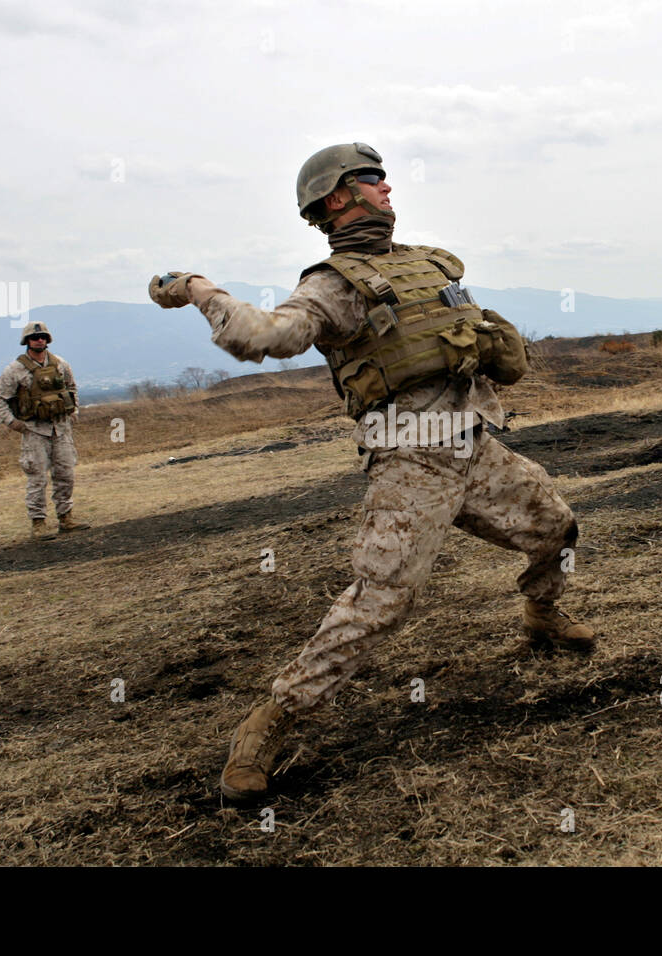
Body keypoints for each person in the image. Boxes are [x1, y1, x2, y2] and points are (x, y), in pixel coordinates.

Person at [149, 142, 595, 801]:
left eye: (384, 179)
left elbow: (469, 332)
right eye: (371, 180)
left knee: (556, 527)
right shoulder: (331, 287)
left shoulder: (430, 263)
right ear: (337, 199)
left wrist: (496, 342)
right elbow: (262, 336)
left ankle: (541, 615)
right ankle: (268, 727)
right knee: (382, 603)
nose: (387, 189)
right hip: (409, 459)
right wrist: (197, 289)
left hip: (476, 443)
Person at [0, 321, 89, 540]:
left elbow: (71, 388)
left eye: (43, 336)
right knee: (37, 478)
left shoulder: (60, 364)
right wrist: (13, 423)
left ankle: (66, 518)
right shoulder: (15, 370)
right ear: (27, 341)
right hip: (34, 430)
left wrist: (74, 411)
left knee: (66, 474)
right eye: (35, 337)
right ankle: (38, 523)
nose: (39, 340)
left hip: (61, 428)